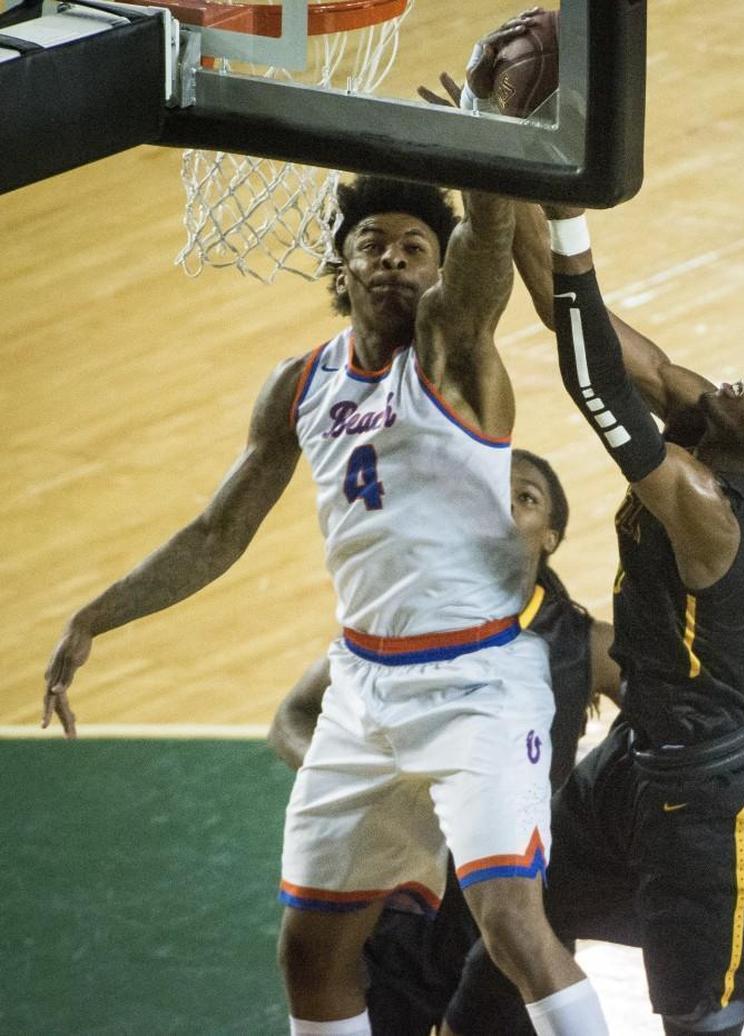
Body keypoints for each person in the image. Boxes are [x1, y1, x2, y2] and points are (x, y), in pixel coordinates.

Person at [40, 20, 613, 1031]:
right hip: (363, 690)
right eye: (371, 246)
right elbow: (216, 531)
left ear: (436, 273)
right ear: (340, 270)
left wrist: (488, 132)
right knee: (310, 954)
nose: (394, 259)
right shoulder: (300, 384)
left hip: (479, 680)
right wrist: (97, 615)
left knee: (512, 927)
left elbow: (488, 242)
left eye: (414, 248)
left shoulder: (452, 351)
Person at [444, 192, 744, 1036]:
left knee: (694, 1025)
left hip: (709, 810)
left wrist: (571, 222)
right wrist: (505, 179)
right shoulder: (712, 423)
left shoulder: (716, 512)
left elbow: (592, 380)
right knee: (507, 945)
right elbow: (573, 315)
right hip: (629, 763)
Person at [268, 447, 622, 1035]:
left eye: (525, 497)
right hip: (406, 889)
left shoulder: (586, 643)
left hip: (513, 889)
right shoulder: (402, 617)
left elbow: (687, 717)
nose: (504, 505)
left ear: (551, 536)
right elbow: (292, 717)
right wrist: (382, 787)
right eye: (488, 492)